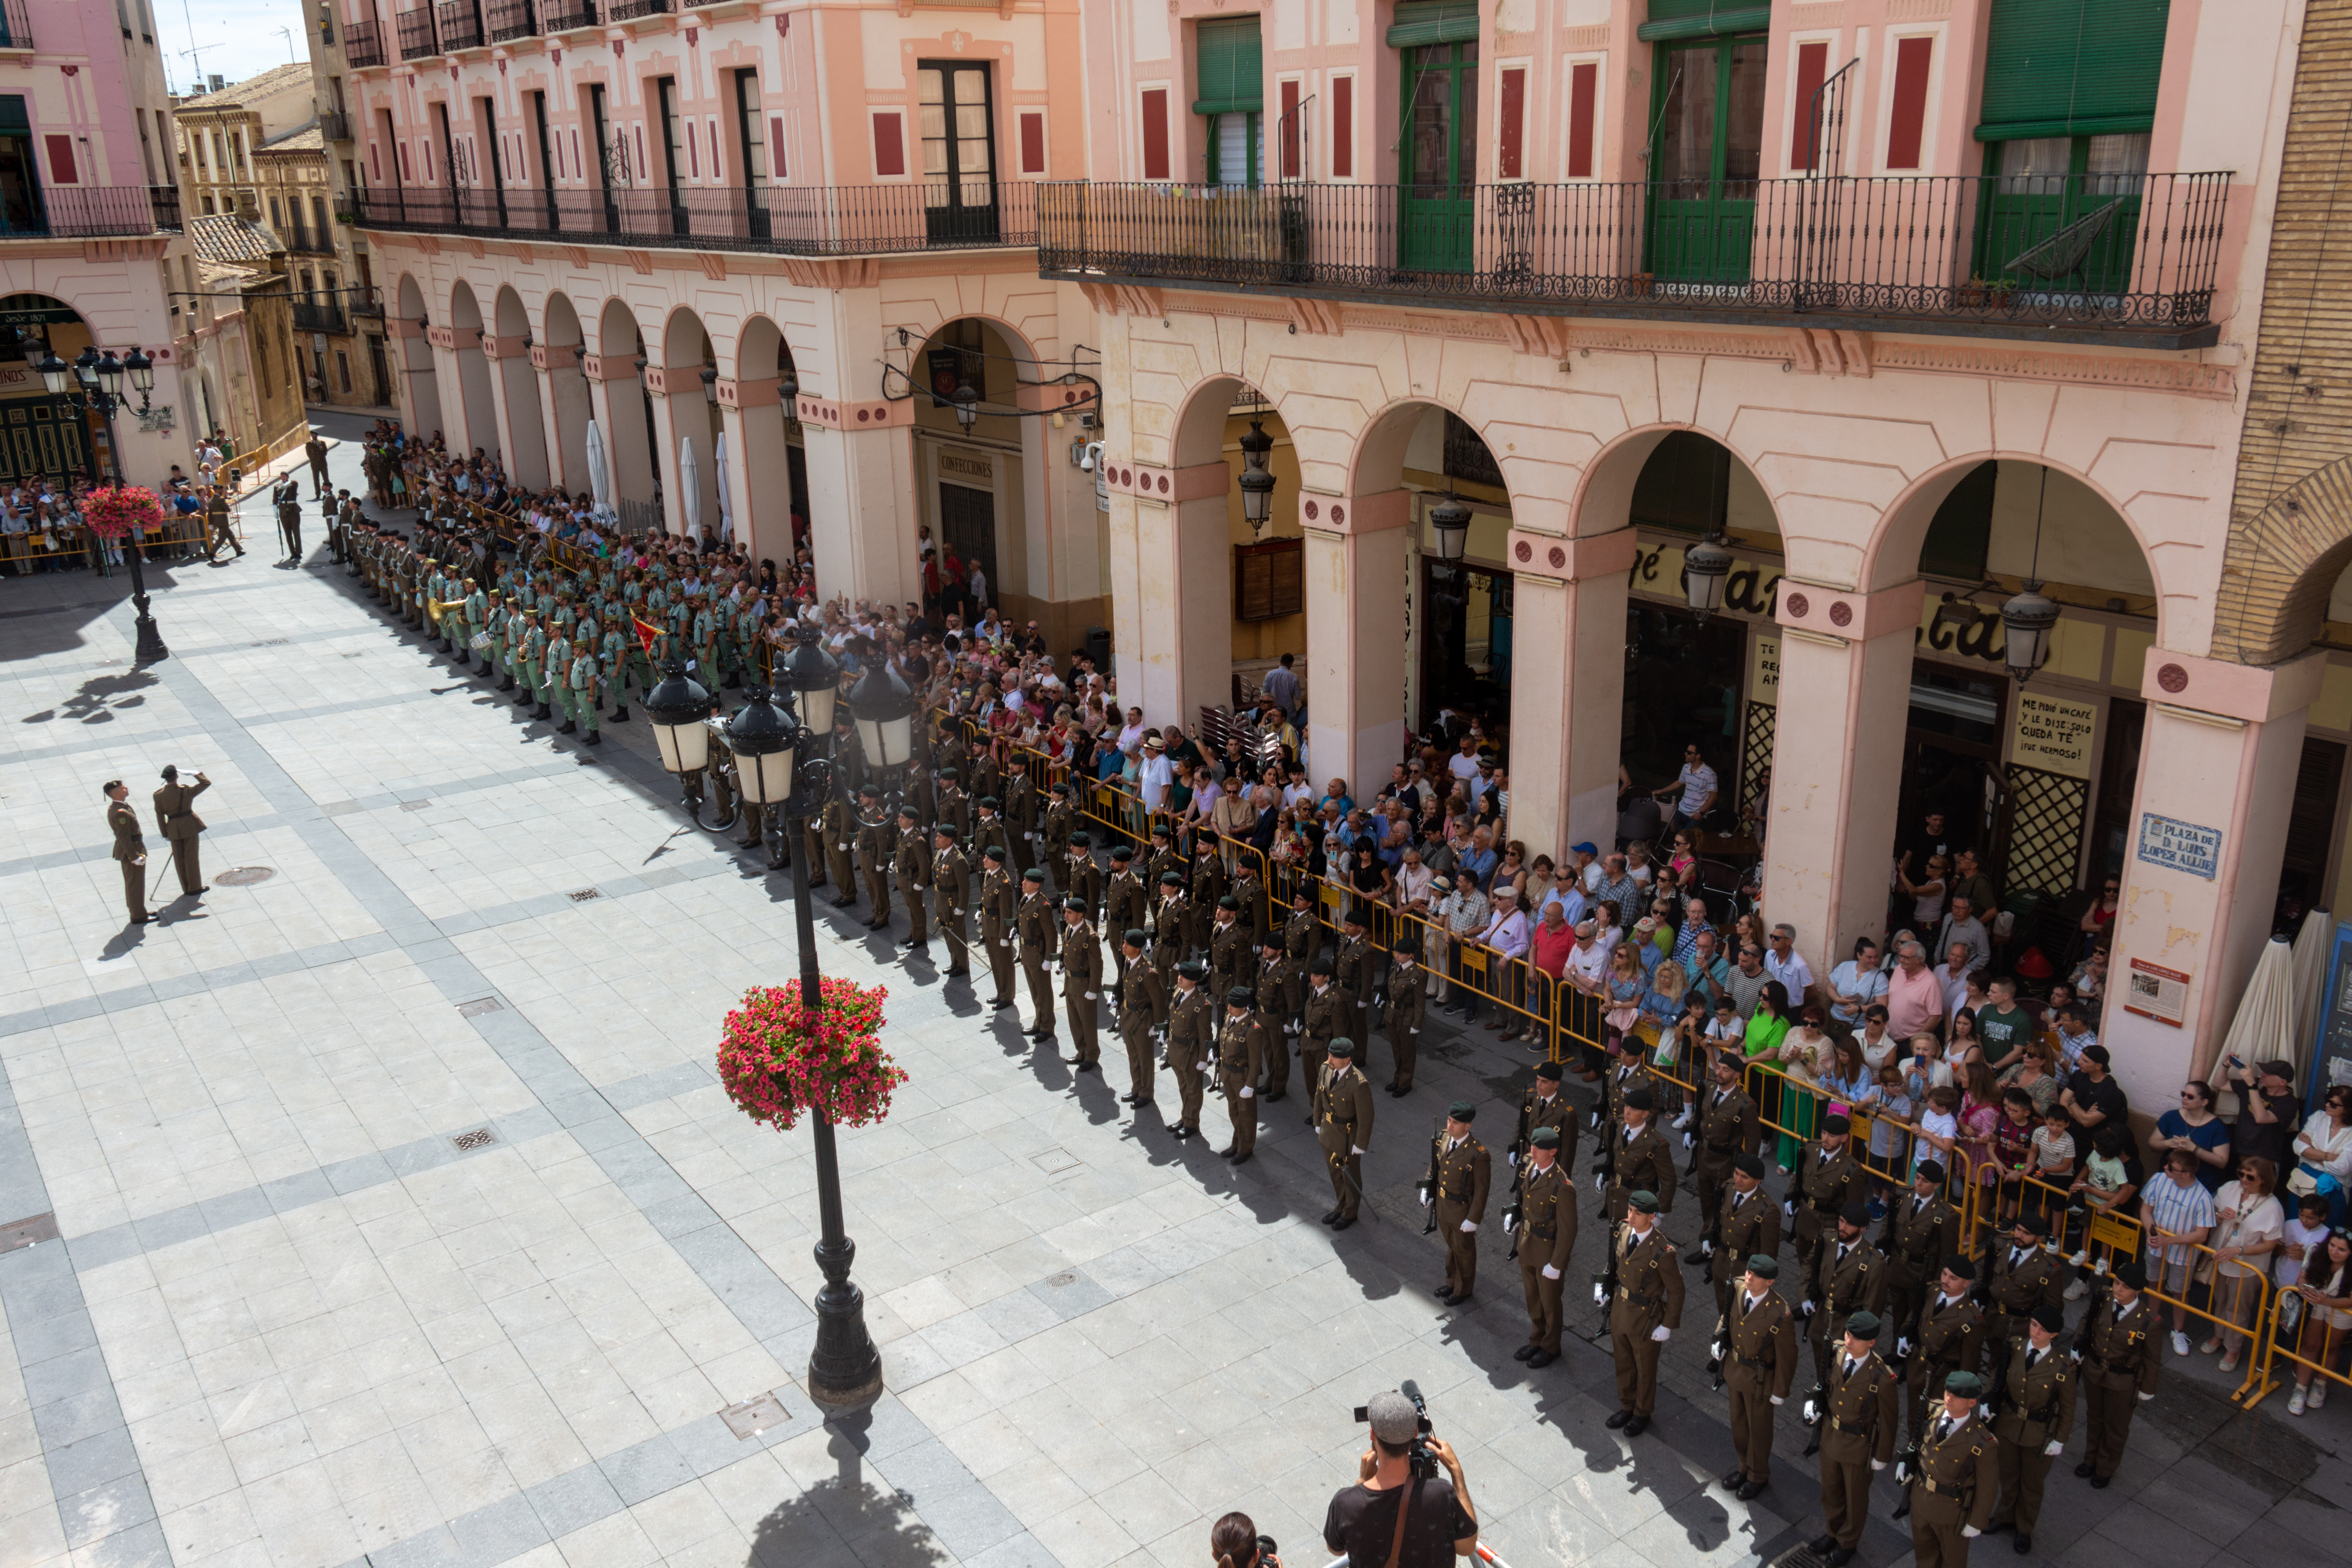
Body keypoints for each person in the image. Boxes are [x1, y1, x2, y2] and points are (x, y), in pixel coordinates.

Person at [1322, 1389, 1478, 1568]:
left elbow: (1336, 1549)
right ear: (1416, 1433)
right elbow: (1467, 1546)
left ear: (1372, 1434)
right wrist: (1456, 1471)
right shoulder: (1441, 1494)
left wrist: (1361, 1483)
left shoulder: (1345, 1503)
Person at [1809, 1310, 1900, 1568]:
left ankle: (1847, 1542)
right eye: (1848, 1334)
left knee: (1855, 1498)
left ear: (1871, 1342)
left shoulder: (1883, 1379)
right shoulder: (1837, 1353)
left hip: (1859, 1446)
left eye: (1856, 1338)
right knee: (1830, 1491)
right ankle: (1832, 1532)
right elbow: (1826, 1387)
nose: (1849, 1340)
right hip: (1831, 1435)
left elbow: (1890, 1422)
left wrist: (1882, 1457)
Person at [1985, 1303, 2073, 1554]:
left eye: (2043, 1330)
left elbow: (2068, 1409)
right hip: (2009, 1423)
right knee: (2009, 1476)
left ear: (2054, 1335)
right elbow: (1997, 1376)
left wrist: (2060, 1440)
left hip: (2038, 1433)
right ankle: (2004, 1516)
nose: (2036, 1332)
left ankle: (2024, 1528)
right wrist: (1987, 1400)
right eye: (2034, 1325)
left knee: (2032, 1484)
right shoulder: (2014, 1348)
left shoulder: (2063, 1368)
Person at [1720, 1253, 1799, 1502]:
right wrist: (1717, 1338)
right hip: (1735, 1371)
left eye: (1755, 1276)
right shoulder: (1737, 1288)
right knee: (1739, 1424)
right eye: (1749, 1272)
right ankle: (1743, 1466)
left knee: (1759, 1430)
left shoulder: (1780, 1314)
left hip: (1759, 1381)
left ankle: (1758, 1475)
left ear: (1770, 1283)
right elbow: (1727, 1317)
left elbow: (1788, 1356)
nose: (1749, 1277)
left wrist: (1780, 1391)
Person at [2075, 1261, 2159, 1489]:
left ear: (2138, 1292)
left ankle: (2105, 1468)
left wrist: (2147, 1389)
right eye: (2117, 1283)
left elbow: (2152, 1360)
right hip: (2094, 1370)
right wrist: (2077, 1346)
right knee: (2094, 1417)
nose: (2118, 1289)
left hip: (2123, 1381)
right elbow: (2087, 1321)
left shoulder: (2148, 1322)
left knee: (2116, 1427)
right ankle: (2090, 1459)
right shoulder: (2103, 1300)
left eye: (2125, 1287)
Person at [1606, 1190, 1684, 1436]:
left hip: (1645, 1317)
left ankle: (1642, 1412)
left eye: (1638, 1213)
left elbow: (1677, 1291)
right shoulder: (1623, 1231)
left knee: (1645, 1367)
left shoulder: (1663, 1252)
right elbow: (1616, 1264)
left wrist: (1668, 1325)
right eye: (1630, 1210)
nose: (1631, 1216)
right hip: (1620, 1309)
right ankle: (1626, 1406)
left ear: (1651, 1217)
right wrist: (1604, 1286)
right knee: (1623, 1361)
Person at [1905, 1370, 1999, 1568]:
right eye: (1948, 1392)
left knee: (1953, 1561)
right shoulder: (1932, 1411)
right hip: (1921, 1501)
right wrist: (1905, 1463)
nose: (1949, 1398)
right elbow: (1919, 1442)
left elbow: (1987, 1488)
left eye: (1957, 1396)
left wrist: (1976, 1521)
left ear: (1972, 1403)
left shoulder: (1982, 1441)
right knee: (1924, 1556)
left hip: (1951, 1514)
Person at [2205, 1155, 2282, 1372]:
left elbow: (2270, 1244)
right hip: (2221, 1256)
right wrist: (2220, 1216)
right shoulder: (2230, 1188)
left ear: (2264, 1181)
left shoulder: (2273, 1207)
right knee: (2220, 1300)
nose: (2244, 1179)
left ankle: (2234, 1349)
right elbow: (2210, 1213)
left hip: (2247, 1268)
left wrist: (2238, 1251)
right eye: (2241, 1173)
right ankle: (2218, 1335)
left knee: (2238, 1309)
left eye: (2251, 1176)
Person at [1514, 1123, 1575, 1367]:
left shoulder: (1563, 1187)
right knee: (1533, 1298)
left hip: (1548, 1252)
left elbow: (1569, 1230)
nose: (1534, 1150)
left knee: (1550, 1303)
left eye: (1540, 1148)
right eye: (1533, 1146)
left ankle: (1551, 1347)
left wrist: (1557, 1264)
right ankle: (1536, 1340)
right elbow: (1524, 1199)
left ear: (1553, 1152)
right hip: (1527, 1244)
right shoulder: (1530, 1167)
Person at [1430, 1102, 1491, 1305]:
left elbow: (1482, 1191)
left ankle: (1463, 1289)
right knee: (1452, 1246)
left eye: (1455, 1123)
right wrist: (1427, 1187)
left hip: (1461, 1210)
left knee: (1464, 1250)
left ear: (1468, 1126)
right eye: (1449, 1120)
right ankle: (1451, 1283)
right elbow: (1436, 1164)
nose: (1450, 1125)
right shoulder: (1444, 1138)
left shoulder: (1478, 1154)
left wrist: (1473, 1219)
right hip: (1443, 1205)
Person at [2288, 1231, 2352, 1415]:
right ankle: (2300, 1389)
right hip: (2317, 1301)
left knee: (2332, 1347)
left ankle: (2320, 1385)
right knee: (2310, 1344)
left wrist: (2326, 1301)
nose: (2335, 1251)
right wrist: (2303, 1288)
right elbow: (2303, 1276)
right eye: (2332, 1245)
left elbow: (2350, 1300)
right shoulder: (2316, 1251)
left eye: (2342, 1249)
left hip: (2342, 1308)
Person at [1315, 1039, 1376, 1230]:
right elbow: (1319, 1096)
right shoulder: (1326, 1069)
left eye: (1334, 1057)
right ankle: (1341, 1204)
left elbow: (1367, 1117)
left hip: (1348, 1136)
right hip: (1328, 1131)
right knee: (1335, 1173)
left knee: (1350, 1176)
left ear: (1347, 1059)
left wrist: (1360, 1144)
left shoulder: (1358, 1083)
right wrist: (1318, 1122)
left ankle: (1350, 1212)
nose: (1329, 1059)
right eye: (1330, 1055)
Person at [1215, 987, 1266, 1163]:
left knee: (1247, 1115)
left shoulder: (1253, 1030)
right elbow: (1224, 1039)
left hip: (1242, 1079)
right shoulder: (1230, 1018)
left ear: (1244, 1008)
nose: (1229, 1007)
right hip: (1228, 1074)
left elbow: (1255, 1062)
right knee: (1234, 1112)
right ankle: (1236, 1143)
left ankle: (1245, 1149)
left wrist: (1250, 1085)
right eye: (1229, 1003)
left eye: (1233, 1005)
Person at [2293, 1083, 2352, 1227]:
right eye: (2328, 1100)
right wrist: (2329, 1156)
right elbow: (2298, 1146)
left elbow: (2342, 1169)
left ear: (2347, 1110)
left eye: (2334, 1104)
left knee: (2326, 1235)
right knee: (2296, 1226)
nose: (2327, 1105)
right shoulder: (2318, 1117)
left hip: (2333, 1191)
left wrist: (2312, 1150)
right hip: (2303, 1183)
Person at [2227, 1056, 2300, 1171]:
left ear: (2283, 1082)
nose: (2263, 1074)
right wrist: (2225, 1065)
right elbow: (2219, 1084)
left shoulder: (2289, 1103)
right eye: (2264, 1071)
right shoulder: (2256, 1085)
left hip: (2263, 1159)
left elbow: (2261, 1118)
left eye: (2269, 1073)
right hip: (2238, 1150)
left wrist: (2252, 1085)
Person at [152, 765, 210, 898]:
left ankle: (186, 888)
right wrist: (195, 773)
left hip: (173, 828)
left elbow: (160, 816)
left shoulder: (158, 796)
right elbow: (206, 783)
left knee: (179, 859)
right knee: (191, 857)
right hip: (189, 826)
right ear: (177, 776)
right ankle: (194, 887)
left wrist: (165, 834)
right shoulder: (186, 791)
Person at [104, 780, 151, 925]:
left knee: (135, 883)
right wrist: (134, 856)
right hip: (131, 851)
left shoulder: (120, 806)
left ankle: (139, 912)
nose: (127, 788)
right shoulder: (120, 813)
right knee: (135, 884)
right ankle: (138, 916)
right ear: (117, 793)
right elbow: (124, 838)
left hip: (132, 848)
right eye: (123, 788)